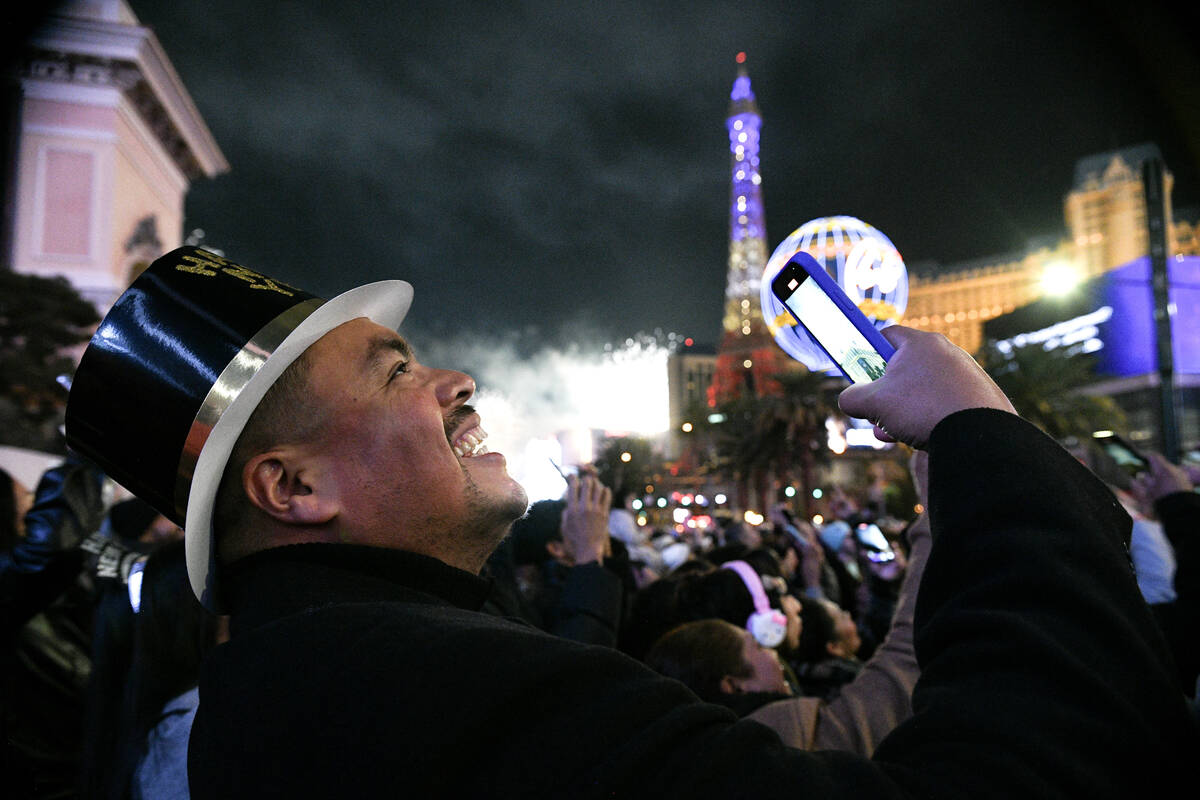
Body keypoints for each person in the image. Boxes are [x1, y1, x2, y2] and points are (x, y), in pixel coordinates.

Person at [64, 247, 1197, 797]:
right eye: (396, 366)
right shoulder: (423, 691)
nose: (455, 377)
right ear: (294, 490)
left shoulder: (301, 688)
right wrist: (987, 442)